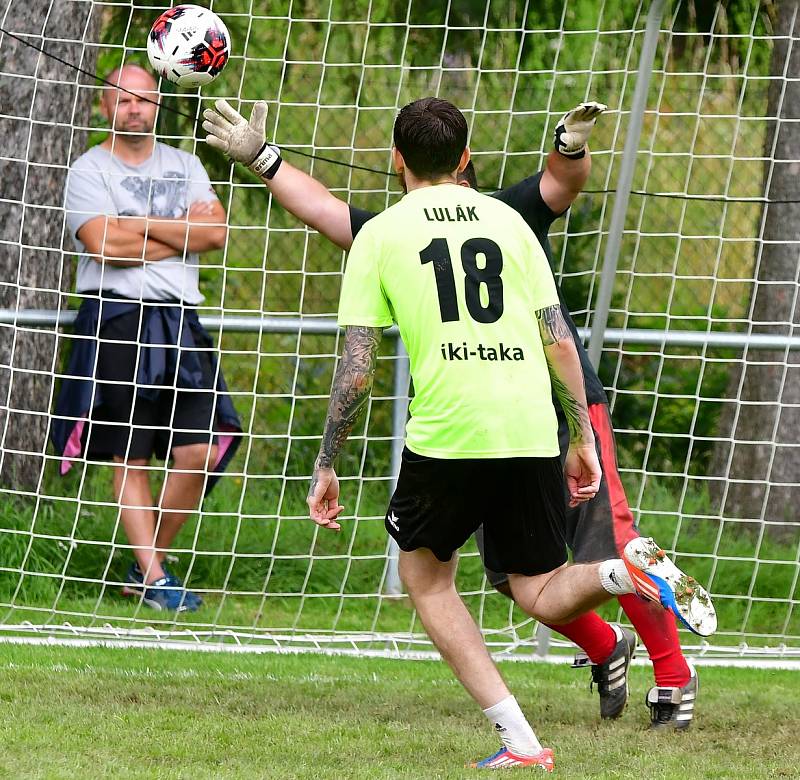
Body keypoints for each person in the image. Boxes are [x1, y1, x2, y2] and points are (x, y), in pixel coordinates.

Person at [203, 98, 714, 729]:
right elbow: (325, 210)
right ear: (462, 156)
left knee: (604, 534)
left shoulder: (498, 215)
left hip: (551, 400)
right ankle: (607, 646)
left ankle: (673, 673)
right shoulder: (431, 227)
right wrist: (262, 157)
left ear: (402, 160)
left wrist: (570, 142)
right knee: (514, 575)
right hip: (504, 414)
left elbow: (562, 182)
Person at [53, 64, 241, 612]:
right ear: (105, 107)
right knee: (127, 454)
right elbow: (101, 246)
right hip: (115, 319)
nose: (135, 108)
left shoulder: (185, 165)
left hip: (179, 319)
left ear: (158, 104)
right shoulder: (89, 169)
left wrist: (133, 224)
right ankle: (159, 583)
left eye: (145, 99)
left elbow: (216, 233)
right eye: (123, 100)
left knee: (202, 449)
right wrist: (179, 233)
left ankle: (147, 564)